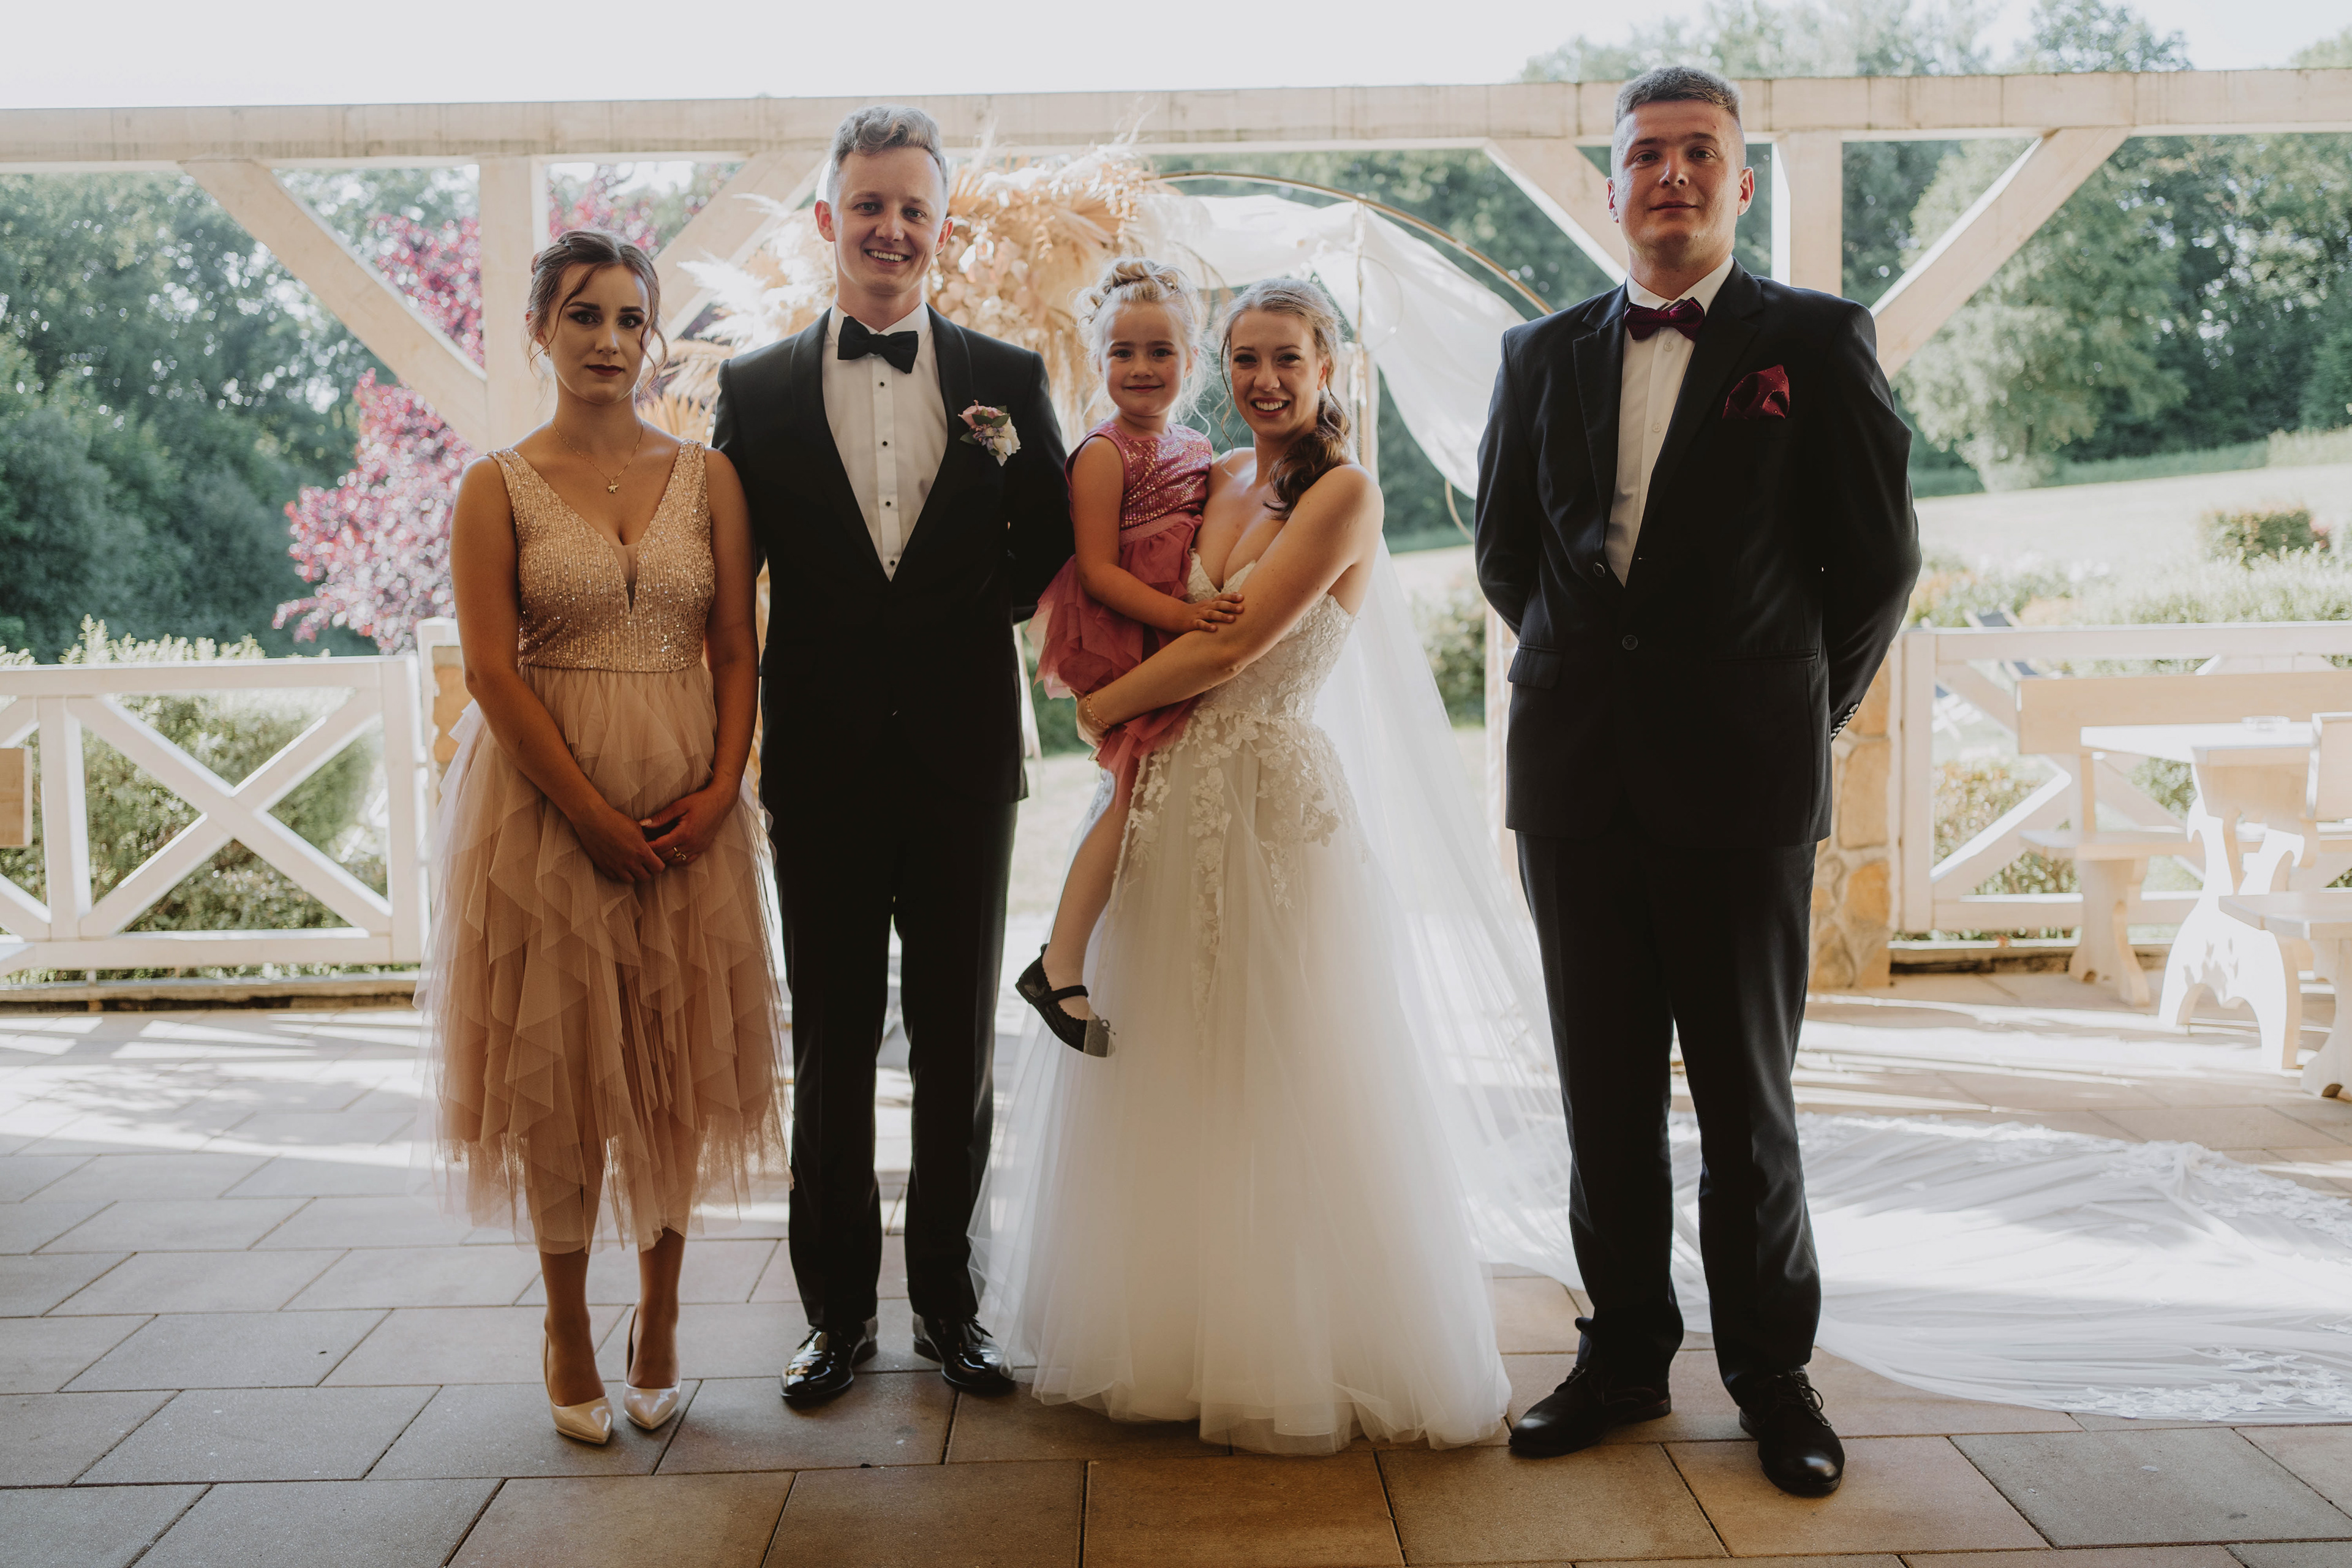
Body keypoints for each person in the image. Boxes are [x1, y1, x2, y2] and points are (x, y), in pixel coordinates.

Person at [975, 278, 1521, 1454]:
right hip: (1167, 796)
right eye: (1245, 360)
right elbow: (1116, 574)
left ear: (1329, 367)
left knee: (1290, 1061)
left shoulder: (1344, 493)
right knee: (1171, 1063)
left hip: (1272, 803)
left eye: (1287, 358)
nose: (1265, 381)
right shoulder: (1213, 474)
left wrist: (1102, 706)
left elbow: (1238, 648)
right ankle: (1174, 1335)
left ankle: (1298, 1343)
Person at [1473, 64, 1920, 1496]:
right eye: (1647, 153)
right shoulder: (1537, 355)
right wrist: (1593, 676)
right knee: (1602, 1093)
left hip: (1743, 779)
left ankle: (1772, 1374)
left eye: (1700, 153)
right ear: (1612, 185)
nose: (1672, 174)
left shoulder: (1817, 341)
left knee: (1747, 1098)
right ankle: (1621, 1355)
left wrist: (1791, 707)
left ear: (1740, 181)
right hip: (1576, 779)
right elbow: (1508, 556)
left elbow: (1877, 563)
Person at [710, 105, 1074, 1406]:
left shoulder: (1008, 378)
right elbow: (728, 572)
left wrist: (968, 614)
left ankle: (950, 1306)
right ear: (828, 219)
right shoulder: (753, 390)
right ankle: (834, 1317)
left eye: (915, 207)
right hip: (819, 759)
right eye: (869, 204)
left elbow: (1049, 535)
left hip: (965, 753)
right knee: (833, 1044)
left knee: (957, 1043)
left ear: (944, 227)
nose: (891, 228)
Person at [423, 229, 787, 1446]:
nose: (609, 341)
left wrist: (725, 783)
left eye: (631, 319)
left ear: (652, 338)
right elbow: (489, 668)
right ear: (541, 329)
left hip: (690, 793)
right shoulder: (497, 485)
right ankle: (568, 1326)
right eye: (584, 315)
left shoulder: (710, 477)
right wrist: (585, 814)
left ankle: (664, 1318)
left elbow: (734, 646)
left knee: (675, 1058)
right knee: (566, 1068)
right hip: (544, 803)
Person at [1016, 257, 1242, 1051]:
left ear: (1191, 358)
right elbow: (1101, 572)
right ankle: (1057, 962)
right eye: (1123, 352)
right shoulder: (1104, 452)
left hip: (1171, 623)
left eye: (1160, 351)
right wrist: (1185, 619)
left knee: (1156, 788)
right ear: (1097, 358)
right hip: (1124, 631)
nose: (1141, 368)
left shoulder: (1197, 444)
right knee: (1130, 789)